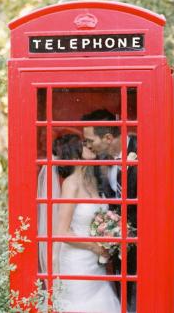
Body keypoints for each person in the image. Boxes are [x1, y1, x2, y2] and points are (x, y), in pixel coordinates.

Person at [49, 134, 121, 313]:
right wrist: (96, 247)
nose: (89, 145)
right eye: (84, 144)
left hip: (95, 263)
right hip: (77, 263)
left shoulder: (91, 180)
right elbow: (61, 232)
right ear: (74, 154)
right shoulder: (71, 184)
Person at [82, 109, 137, 312]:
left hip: (143, 245)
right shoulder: (100, 162)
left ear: (107, 137)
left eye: (90, 140)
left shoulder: (144, 149)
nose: (88, 145)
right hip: (117, 247)